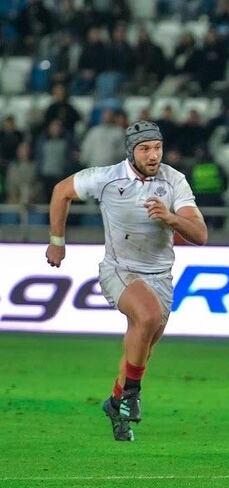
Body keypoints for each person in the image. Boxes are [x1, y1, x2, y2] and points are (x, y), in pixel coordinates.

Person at [45, 121, 208, 441]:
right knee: (146, 317)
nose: (153, 155)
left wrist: (171, 218)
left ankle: (116, 403)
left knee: (141, 347)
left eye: (157, 147)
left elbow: (200, 234)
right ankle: (132, 394)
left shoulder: (174, 181)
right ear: (131, 151)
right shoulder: (107, 178)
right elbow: (61, 191)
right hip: (119, 269)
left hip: (161, 277)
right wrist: (57, 241)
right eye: (145, 148)